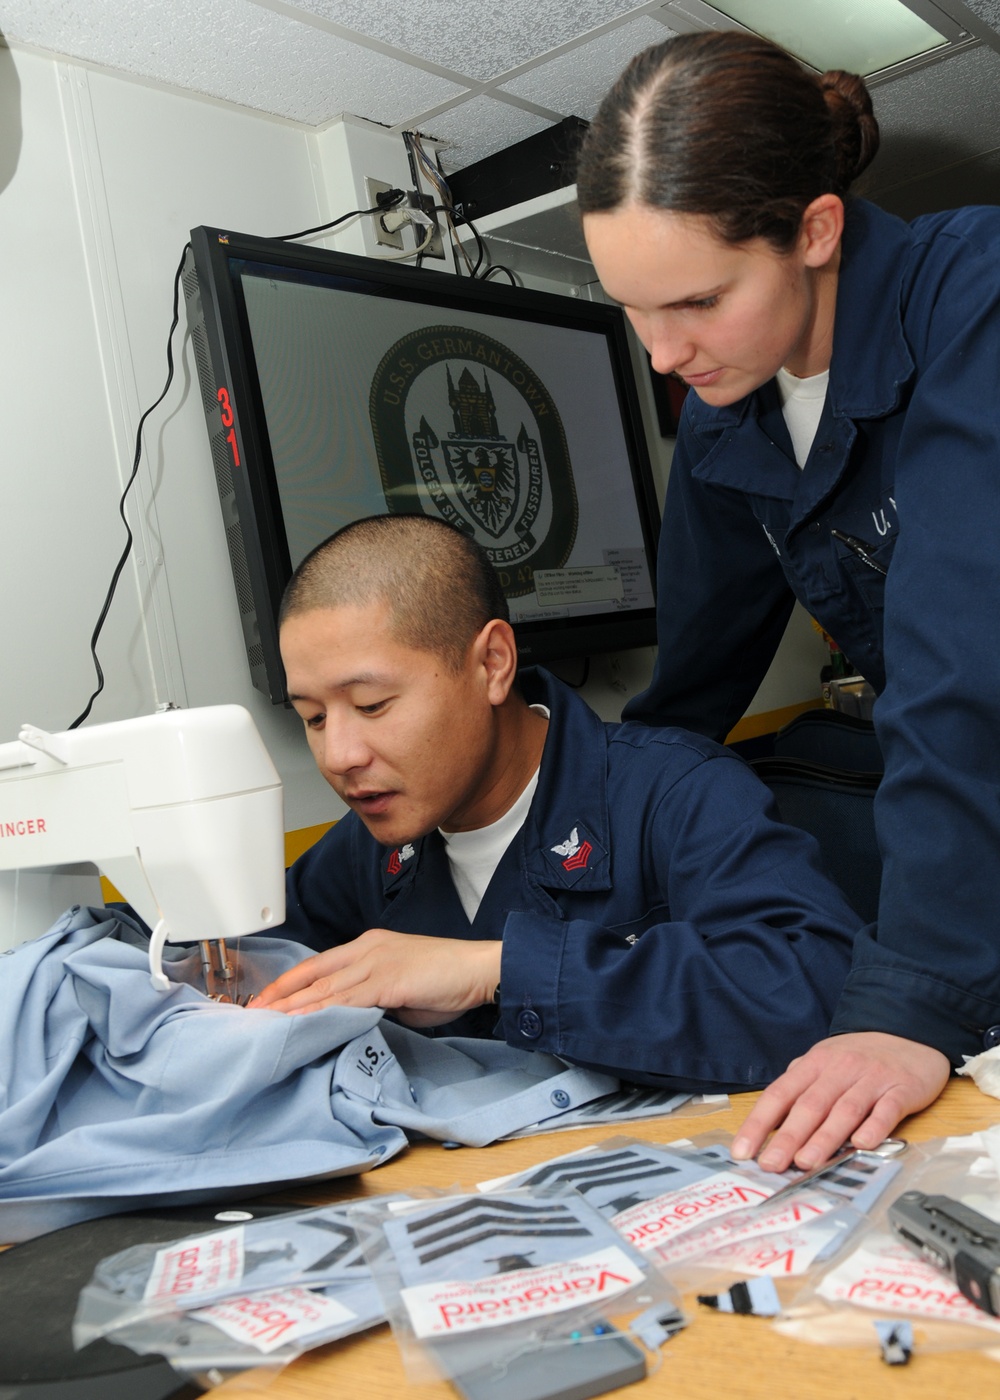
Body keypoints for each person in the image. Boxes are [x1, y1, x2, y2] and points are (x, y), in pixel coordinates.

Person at [575, 30, 1000, 1168]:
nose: (663, 355)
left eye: (698, 301)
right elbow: (688, 695)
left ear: (814, 230)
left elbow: (963, 670)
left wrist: (910, 996)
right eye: (632, 309)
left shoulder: (973, 292)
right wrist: (559, 877)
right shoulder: (725, 417)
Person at [254, 513, 862, 1093]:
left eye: (371, 706)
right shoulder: (372, 842)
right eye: (311, 717)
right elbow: (247, 958)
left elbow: (815, 989)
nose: (338, 755)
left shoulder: (677, 791)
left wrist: (496, 970)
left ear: (492, 664)